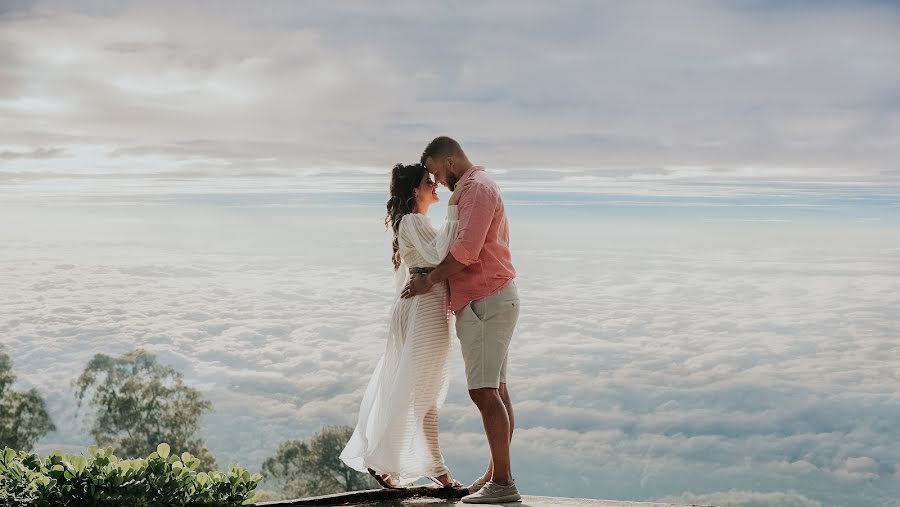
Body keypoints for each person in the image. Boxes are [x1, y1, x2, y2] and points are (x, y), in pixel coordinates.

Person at [403, 136, 521, 504]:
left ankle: (502, 486)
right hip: (488, 300)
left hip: (485, 300)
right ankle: (495, 476)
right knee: (496, 390)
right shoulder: (473, 189)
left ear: (450, 161)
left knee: (483, 392)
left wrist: (429, 280)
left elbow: (466, 253)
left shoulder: (476, 190)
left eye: (437, 172)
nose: (436, 181)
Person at [340, 163, 464, 490]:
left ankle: (387, 461)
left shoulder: (414, 222)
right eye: (429, 182)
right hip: (424, 309)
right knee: (426, 391)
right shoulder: (412, 221)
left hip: (422, 306)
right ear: (414, 191)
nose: (436, 186)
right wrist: (454, 209)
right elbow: (442, 255)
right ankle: (433, 468)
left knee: (416, 388)